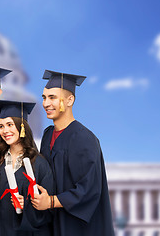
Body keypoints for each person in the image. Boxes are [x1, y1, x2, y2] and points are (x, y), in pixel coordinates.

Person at [38, 70, 115, 236]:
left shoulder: (84, 138)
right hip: (52, 222)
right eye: (44, 97)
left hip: (77, 226)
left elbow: (89, 189)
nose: (45, 103)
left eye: (52, 97)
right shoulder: (47, 135)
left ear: (70, 100)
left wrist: (51, 201)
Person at [0, 100, 54, 236]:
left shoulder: (39, 163)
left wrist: (27, 206)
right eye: (1, 126)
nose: (5, 130)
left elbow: (48, 209)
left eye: (10, 125)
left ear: (22, 127)